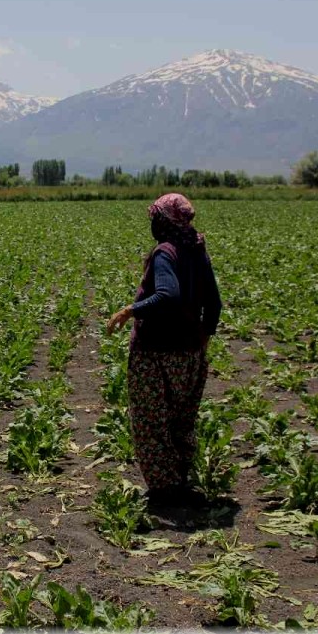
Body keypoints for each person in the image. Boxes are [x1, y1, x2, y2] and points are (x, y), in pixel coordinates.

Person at [106, 193, 222, 506]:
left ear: (165, 221)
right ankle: (181, 479)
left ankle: (165, 490)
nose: (152, 223)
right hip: (190, 353)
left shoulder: (165, 253)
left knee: (151, 422)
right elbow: (214, 303)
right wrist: (203, 340)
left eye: (155, 218)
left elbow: (167, 295)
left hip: (155, 353)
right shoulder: (197, 250)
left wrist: (130, 310)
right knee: (181, 420)